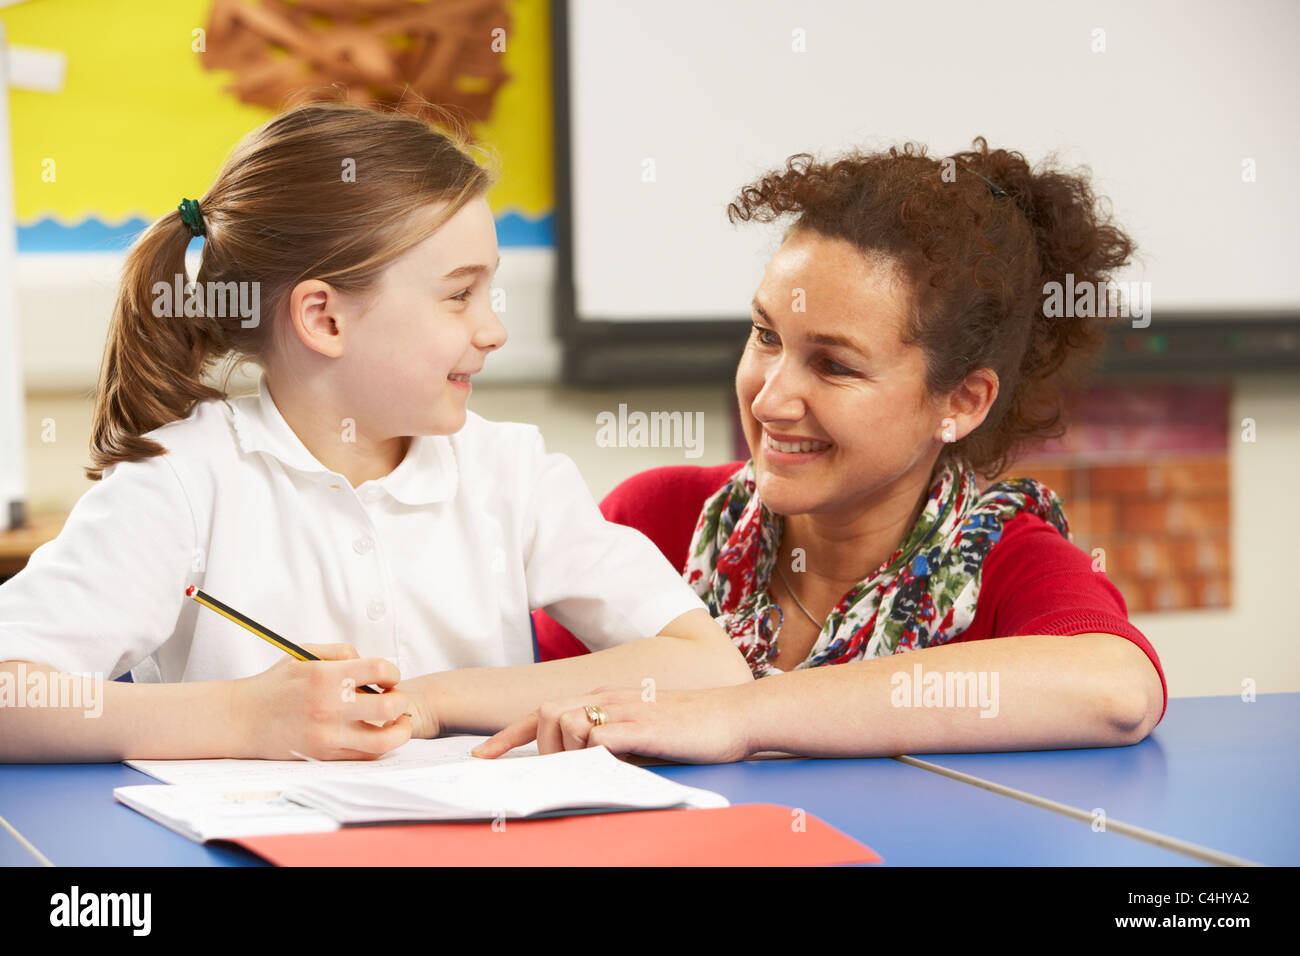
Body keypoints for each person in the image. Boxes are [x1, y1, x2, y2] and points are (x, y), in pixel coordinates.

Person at [0, 101, 751, 763]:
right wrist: (243, 716)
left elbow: (708, 667)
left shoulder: (510, 472)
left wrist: (431, 700)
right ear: (324, 317)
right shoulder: (181, 482)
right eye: (460, 295)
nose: (493, 330)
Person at [476, 137, 1167, 763]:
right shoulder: (662, 516)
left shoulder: (1007, 559)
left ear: (961, 402)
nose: (770, 399)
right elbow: (519, 703)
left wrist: (738, 715)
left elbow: (1119, 690)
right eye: (766, 336)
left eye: (834, 366)